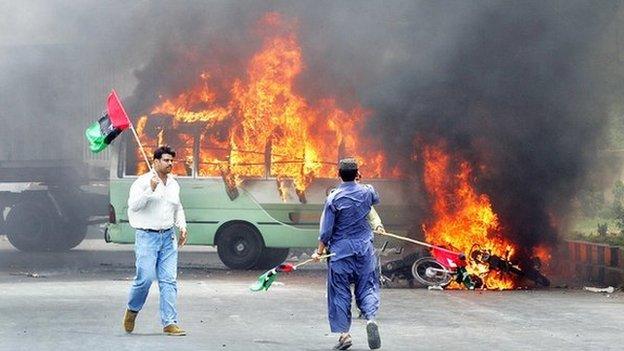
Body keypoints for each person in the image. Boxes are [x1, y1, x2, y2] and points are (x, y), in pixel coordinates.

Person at [312, 158, 382, 350]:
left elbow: (325, 231)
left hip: (340, 254)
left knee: (339, 293)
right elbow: (373, 203)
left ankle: (345, 336)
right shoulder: (368, 192)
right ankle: (370, 319)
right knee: (367, 286)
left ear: (338, 174)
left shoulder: (333, 198)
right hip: (364, 251)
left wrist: (318, 252)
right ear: (357, 173)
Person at [122, 145, 188, 336]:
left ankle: (170, 322)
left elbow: (178, 207)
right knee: (145, 279)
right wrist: (149, 190)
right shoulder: (142, 183)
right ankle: (132, 310)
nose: (170, 164)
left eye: (171, 161)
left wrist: (182, 226)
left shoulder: (174, 184)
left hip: (168, 237)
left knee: (169, 280)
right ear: (155, 162)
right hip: (146, 237)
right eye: (166, 160)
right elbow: (133, 207)